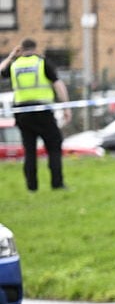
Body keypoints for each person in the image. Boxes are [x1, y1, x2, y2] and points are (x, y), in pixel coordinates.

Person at [0, 38, 70, 191]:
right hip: (42, 110)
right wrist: (66, 107)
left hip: (22, 113)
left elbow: (0, 71)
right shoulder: (41, 62)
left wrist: (11, 56)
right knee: (53, 146)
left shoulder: (15, 64)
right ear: (35, 48)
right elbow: (58, 84)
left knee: (29, 151)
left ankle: (32, 187)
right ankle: (57, 183)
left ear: (21, 48)